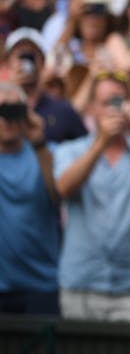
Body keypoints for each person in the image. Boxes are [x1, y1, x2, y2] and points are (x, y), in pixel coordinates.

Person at [53, 72, 130, 321]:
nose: (113, 109)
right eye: (105, 102)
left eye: (118, 101)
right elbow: (64, 187)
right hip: (82, 285)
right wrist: (100, 143)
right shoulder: (70, 150)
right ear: (91, 108)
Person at [0, 82, 59, 316]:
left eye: (15, 110)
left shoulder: (46, 152)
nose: (8, 118)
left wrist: (38, 141)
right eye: (2, 110)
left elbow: (58, 194)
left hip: (40, 285)